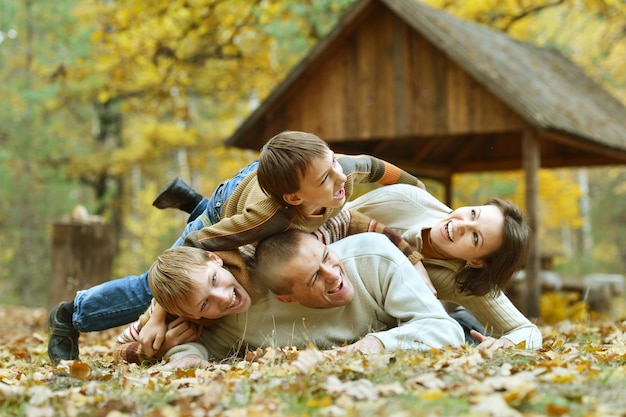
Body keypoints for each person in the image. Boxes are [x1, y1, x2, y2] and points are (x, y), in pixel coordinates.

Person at [48, 130, 425, 364]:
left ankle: (189, 200)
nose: (340, 178)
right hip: (222, 215)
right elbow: (196, 246)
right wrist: (160, 314)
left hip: (259, 184)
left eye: (334, 169)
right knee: (163, 283)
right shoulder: (266, 220)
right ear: (295, 197)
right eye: (328, 177)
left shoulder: (333, 169)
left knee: (206, 273)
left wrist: (415, 189)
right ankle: (71, 314)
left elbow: (376, 167)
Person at [114, 209, 427, 364]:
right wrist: (161, 344)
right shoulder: (217, 320)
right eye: (204, 304)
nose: (223, 298)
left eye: (214, 282)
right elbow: (123, 350)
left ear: (216, 260)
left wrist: (416, 263)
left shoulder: (256, 243)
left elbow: (354, 218)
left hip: (352, 238)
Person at [344, 184, 541, 350]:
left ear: (476, 262)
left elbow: (527, 330)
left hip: (371, 320)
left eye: (475, 237)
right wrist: (413, 259)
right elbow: (334, 217)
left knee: (455, 332)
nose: (462, 225)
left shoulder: (463, 279)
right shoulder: (406, 200)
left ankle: (463, 322)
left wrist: (505, 345)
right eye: (473, 213)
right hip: (328, 267)